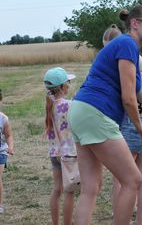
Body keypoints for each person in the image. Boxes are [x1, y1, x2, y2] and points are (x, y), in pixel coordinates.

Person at [67, 5, 142, 225]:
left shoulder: (127, 48)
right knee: (133, 179)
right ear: (134, 23)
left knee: (91, 187)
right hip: (96, 113)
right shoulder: (127, 43)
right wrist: (139, 126)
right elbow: (128, 98)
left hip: (80, 111)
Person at [101, 23, 142, 224]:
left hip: (130, 123)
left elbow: (129, 96)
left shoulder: (127, 60)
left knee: (122, 178)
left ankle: (119, 217)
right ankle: (141, 219)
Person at [43, 67, 77, 225]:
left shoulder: (49, 104)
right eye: (68, 82)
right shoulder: (69, 105)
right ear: (63, 87)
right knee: (69, 192)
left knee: (57, 190)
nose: (69, 85)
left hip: (54, 154)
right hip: (69, 154)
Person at [0, 89, 14, 214]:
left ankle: (0, 204)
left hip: (1, 152)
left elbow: (8, 135)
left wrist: (10, 147)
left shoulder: (3, 118)